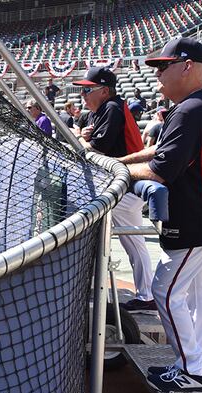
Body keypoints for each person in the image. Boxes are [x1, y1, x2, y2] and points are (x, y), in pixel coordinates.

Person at [120, 37, 202, 393]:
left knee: (165, 291)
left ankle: (192, 372)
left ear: (187, 66)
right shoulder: (195, 105)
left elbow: (159, 170)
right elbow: (160, 150)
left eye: (163, 66)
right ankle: (195, 361)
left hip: (197, 219)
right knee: (197, 295)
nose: (158, 76)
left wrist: (119, 174)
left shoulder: (191, 109)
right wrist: (122, 162)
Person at [73, 66, 154, 313]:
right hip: (123, 185)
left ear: (105, 91)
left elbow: (94, 150)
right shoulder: (104, 110)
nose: (83, 96)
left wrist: (82, 139)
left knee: (126, 239)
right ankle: (146, 293)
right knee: (132, 241)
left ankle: (147, 294)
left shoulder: (112, 108)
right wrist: (83, 134)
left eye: (88, 90)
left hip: (126, 186)